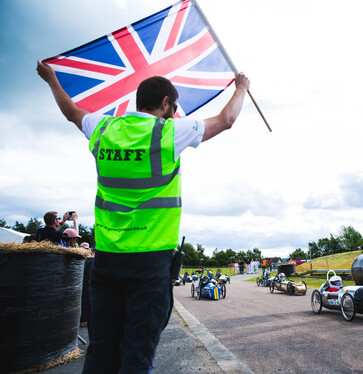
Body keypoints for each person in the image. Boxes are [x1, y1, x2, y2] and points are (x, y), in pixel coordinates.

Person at [37, 59, 250, 373]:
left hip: (107, 260)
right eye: (174, 106)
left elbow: (71, 112)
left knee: (100, 351)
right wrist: (242, 88)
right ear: (165, 102)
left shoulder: (104, 128)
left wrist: (52, 79)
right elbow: (227, 119)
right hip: (149, 264)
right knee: (137, 355)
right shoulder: (169, 132)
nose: (176, 112)